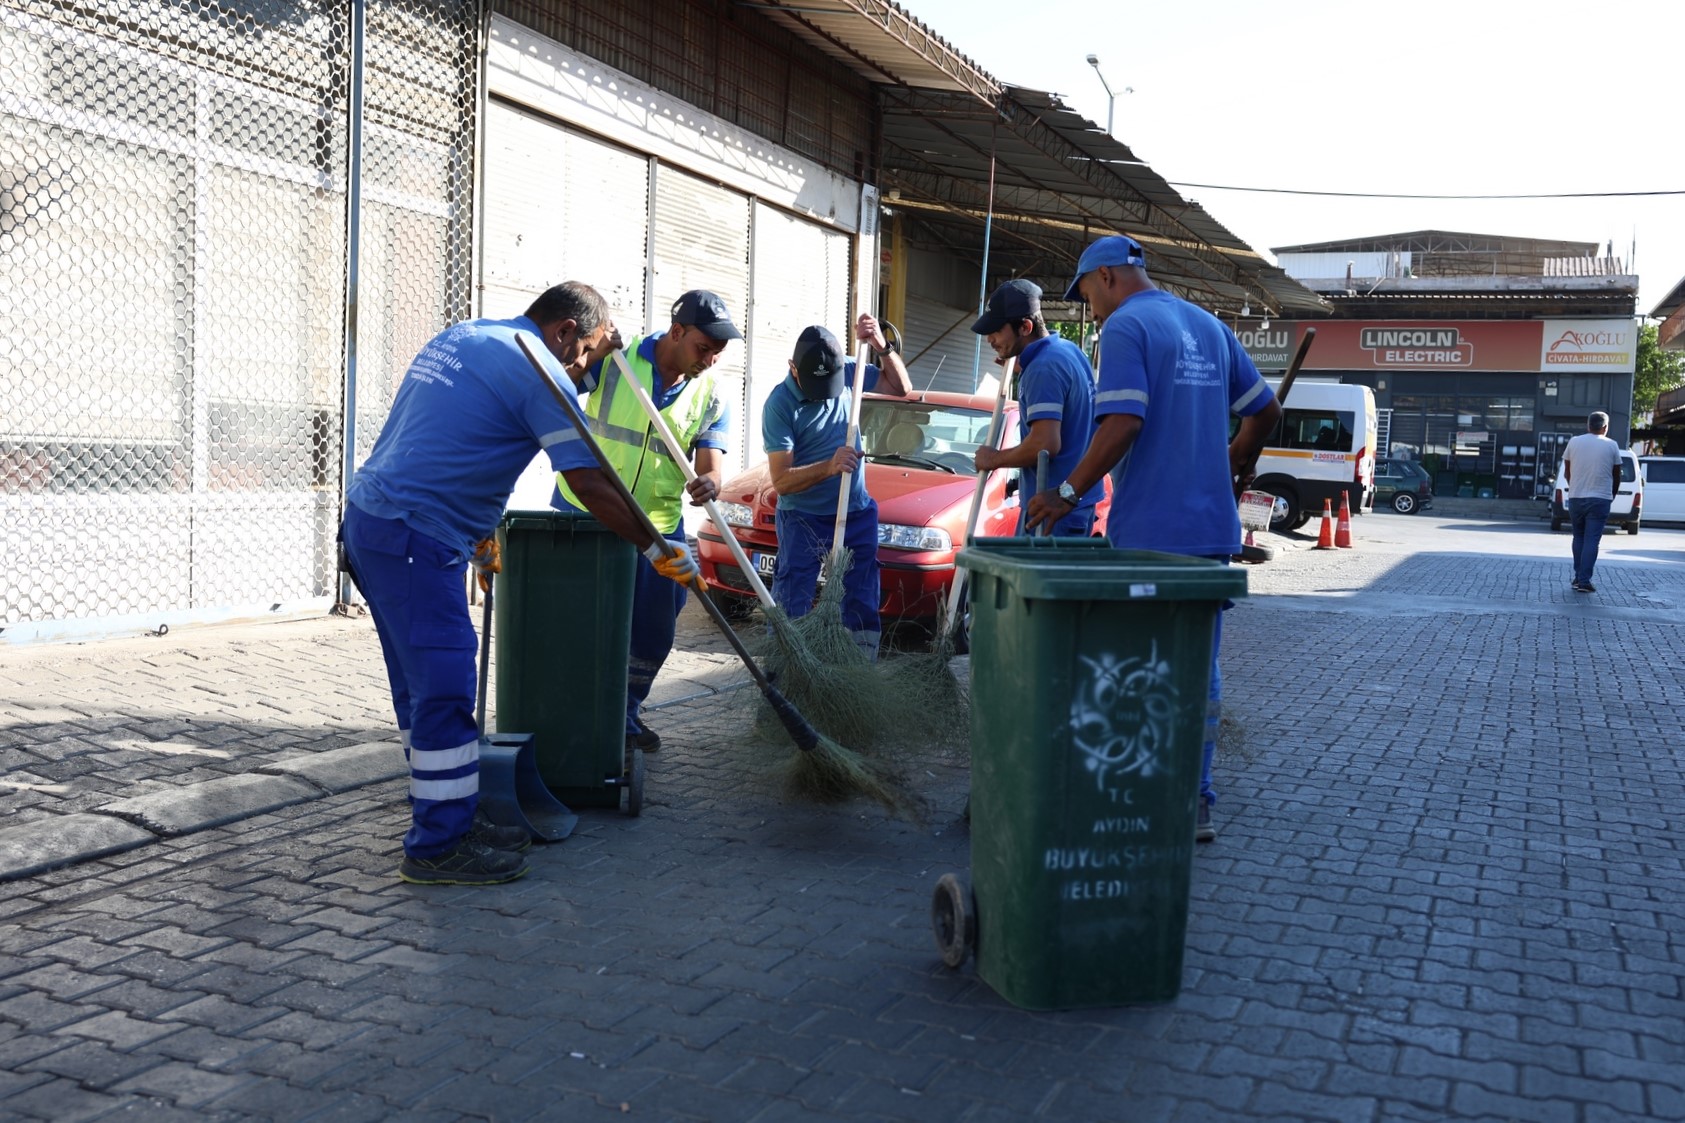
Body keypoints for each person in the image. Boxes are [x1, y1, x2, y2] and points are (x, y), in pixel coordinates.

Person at [341, 282, 698, 886]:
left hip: (374, 520)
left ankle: (448, 812)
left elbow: (440, 435)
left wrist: (480, 532)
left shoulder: (469, 335)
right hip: (413, 536)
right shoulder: (539, 366)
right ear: (563, 332)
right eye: (584, 354)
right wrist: (656, 547)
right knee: (448, 683)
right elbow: (592, 482)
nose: (583, 371)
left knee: (420, 686)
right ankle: (437, 848)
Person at [1026, 235, 1282, 844]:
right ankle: (1194, 800)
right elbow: (1265, 411)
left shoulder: (1124, 327)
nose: (1088, 309)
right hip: (1211, 533)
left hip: (1149, 532)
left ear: (1108, 277)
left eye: (1086, 293)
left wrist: (1066, 493)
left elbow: (1124, 421)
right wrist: (1235, 456)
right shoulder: (1207, 325)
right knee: (1200, 665)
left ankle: (1137, 790)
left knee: (1138, 665)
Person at [556, 289, 740, 755]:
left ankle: (625, 713)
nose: (711, 361)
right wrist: (591, 356)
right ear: (677, 332)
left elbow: (710, 464)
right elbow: (555, 388)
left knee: (655, 630)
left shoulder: (710, 393)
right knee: (581, 627)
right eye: (704, 348)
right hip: (588, 515)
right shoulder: (616, 360)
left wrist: (711, 484)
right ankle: (577, 716)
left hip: (659, 525)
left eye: (718, 353)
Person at [762, 314, 911, 657]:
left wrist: (880, 346)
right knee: (793, 593)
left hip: (855, 510)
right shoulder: (779, 406)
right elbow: (782, 481)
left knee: (861, 591)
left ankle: (860, 669)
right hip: (803, 517)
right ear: (793, 368)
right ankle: (786, 668)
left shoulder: (848, 370)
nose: (823, 395)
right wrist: (829, 467)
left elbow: (901, 388)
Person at [969, 279, 1103, 535]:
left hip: (1052, 509)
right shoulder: (1068, 352)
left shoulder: (1043, 369)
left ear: (1025, 327)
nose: (990, 339)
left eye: (996, 330)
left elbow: (1045, 445)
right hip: (1076, 500)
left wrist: (994, 459)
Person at [1561, 410, 1622, 592]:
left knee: (1578, 537)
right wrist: (1612, 494)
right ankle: (1584, 581)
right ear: (1605, 427)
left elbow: (1567, 471)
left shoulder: (1574, 442)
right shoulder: (1612, 445)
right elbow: (1616, 474)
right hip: (1600, 498)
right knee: (1591, 540)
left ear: (1588, 425)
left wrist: (1575, 487)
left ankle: (1578, 577)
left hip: (1576, 498)